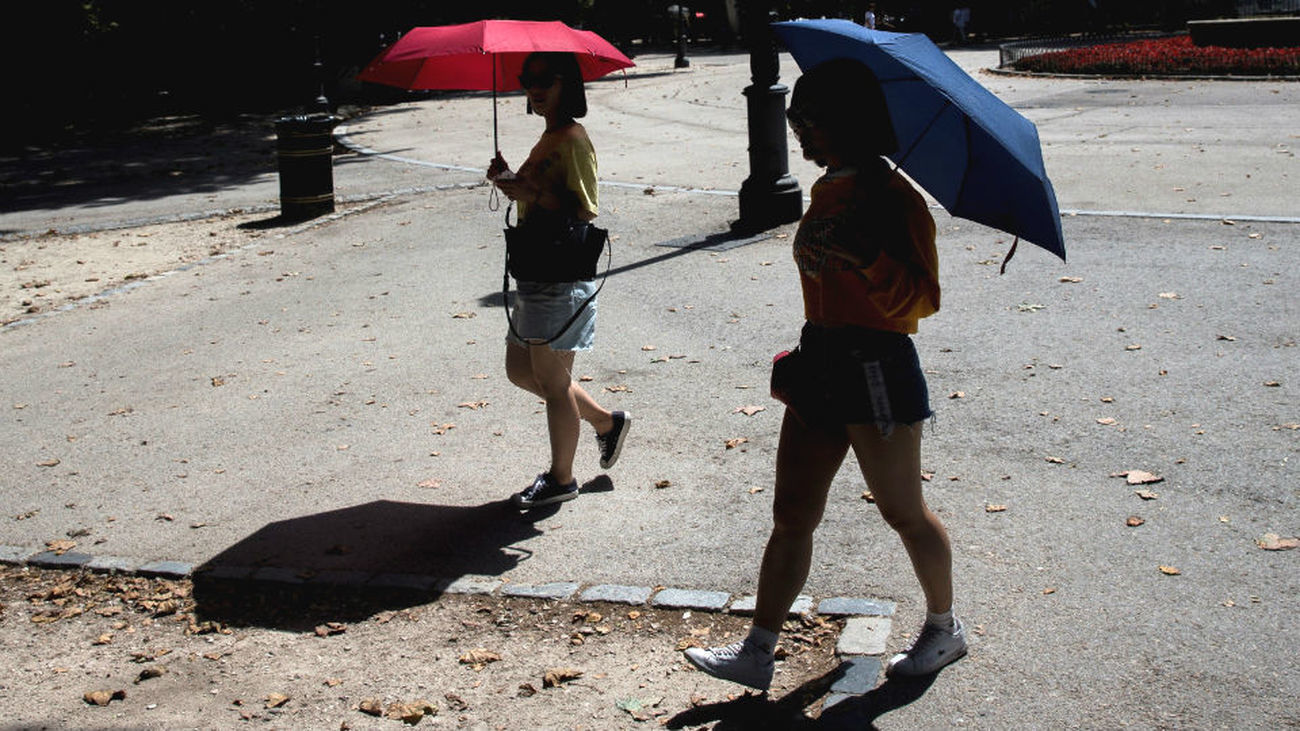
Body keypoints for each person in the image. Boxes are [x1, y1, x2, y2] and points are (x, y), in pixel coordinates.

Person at [682, 58, 965, 691]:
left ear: (846, 122)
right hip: (821, 360)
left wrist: (868, 257)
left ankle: (945, 629)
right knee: (792, 513)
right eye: (794, 121)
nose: (798, 135)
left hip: (877, 367)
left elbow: (921, 301)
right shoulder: (831, 189)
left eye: (806, 122)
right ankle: (758, 649)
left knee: (903, 511)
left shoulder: (895, 200)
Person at [488, 52, 630, 509]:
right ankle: (607, 422)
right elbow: (539, 196)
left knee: (551, 381)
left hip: (561, 271)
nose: (534, 87)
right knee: (521, 371)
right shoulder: (549, 136)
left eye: (544, 79)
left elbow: (585, 209)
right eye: (527, 80)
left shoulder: (573, 138)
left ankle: (561, 478)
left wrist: (531, 192)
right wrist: (510, 180)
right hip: (534, 269)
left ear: (566, 83)